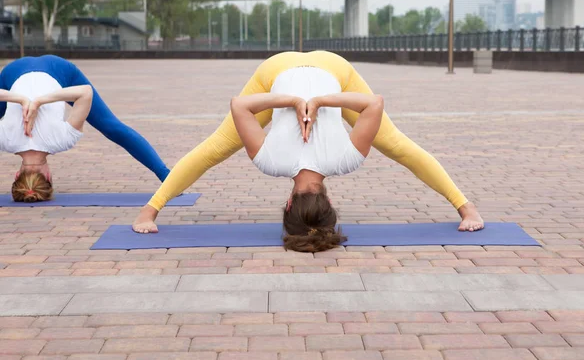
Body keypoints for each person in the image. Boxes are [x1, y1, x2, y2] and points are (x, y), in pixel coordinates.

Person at [133, 51, 484, 247]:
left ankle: (468, 210)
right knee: (216, 148)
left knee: (395, 145)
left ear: (329, 202)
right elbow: (240, 105)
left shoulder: (346, 161)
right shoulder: (270, 163)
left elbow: (372, 104)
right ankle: (147, 213)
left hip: (330, 71)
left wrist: (312, 100)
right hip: (282, 72)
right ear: (288, 203)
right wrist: (301, 100)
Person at [0, 55, 171, 189]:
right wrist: (28, 100)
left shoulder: (61, 141)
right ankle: (167, 177)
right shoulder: (4, 140)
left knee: (110, 126)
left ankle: (169, 178)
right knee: (111, 127)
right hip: (15, 71)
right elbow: (85, 93)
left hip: (54, 71)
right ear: (17, 175)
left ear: (49, 177)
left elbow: (84, 93)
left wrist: (32, 101)